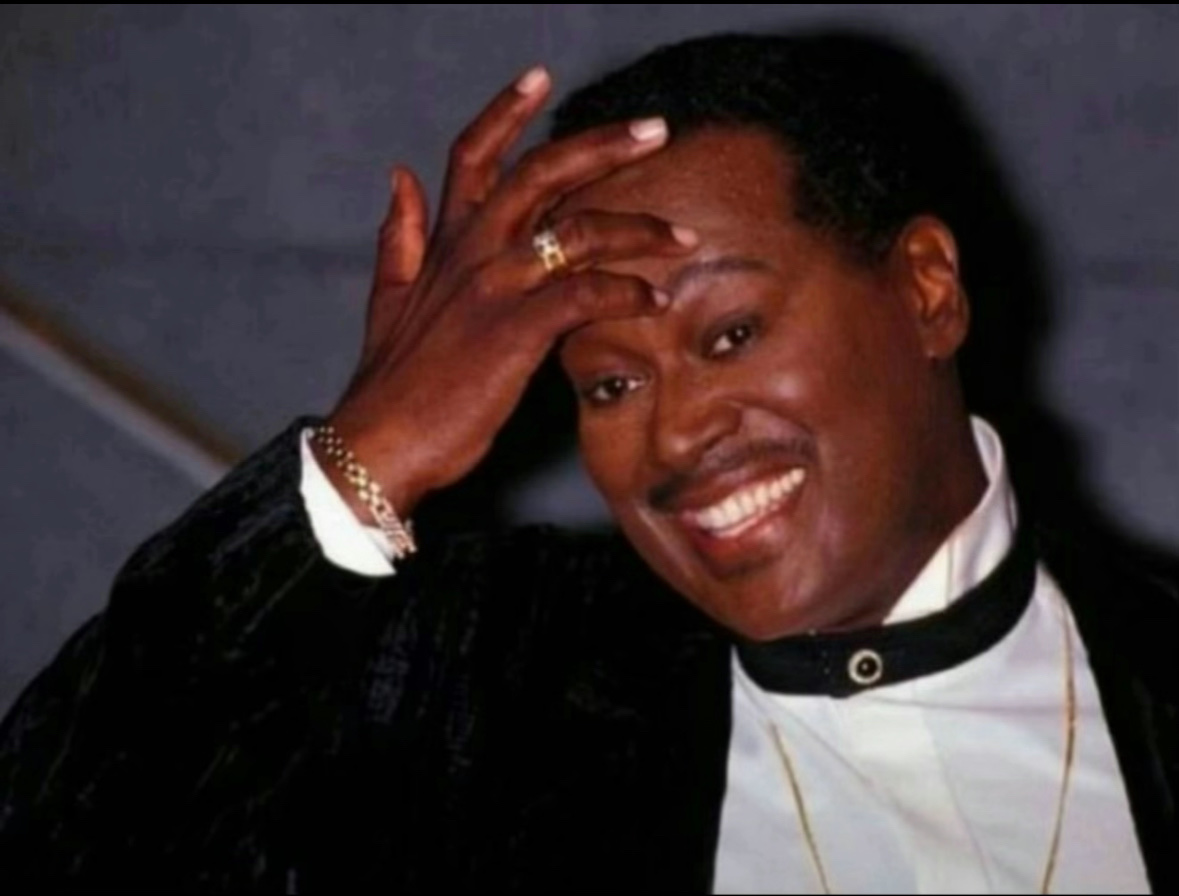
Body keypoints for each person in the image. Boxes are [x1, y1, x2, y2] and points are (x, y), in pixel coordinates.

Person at [0, 31, 1175, 894]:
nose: (676, 433)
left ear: (926, 290)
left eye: (731, 334)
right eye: (609, 384)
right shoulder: (486, 688)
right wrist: (369, 457)